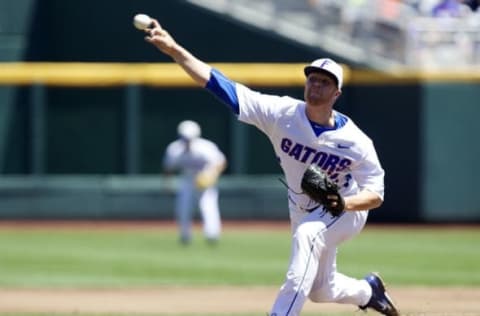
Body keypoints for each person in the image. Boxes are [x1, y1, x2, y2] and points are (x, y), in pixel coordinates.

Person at [145, 18, 399, 316]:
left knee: (308, 236)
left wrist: (344, 202)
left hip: (343, 210)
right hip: (301, 206)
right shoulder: (281, 114)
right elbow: (219, 85)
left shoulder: (355, 141)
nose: (316, 86)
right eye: (312, 79)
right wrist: (175, 50)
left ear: (337, 94)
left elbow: (376, 194)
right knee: (321, 289)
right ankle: (370, 291)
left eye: (325, 82)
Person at [163, 120, 227, 245]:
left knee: (208, 207)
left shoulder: (205, 147)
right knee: (183, 208)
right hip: (187, 179)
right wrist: (168, 183)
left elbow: (221, 162)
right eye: (184, 138)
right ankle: (185, 236)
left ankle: (212, 235)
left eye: (189, 138)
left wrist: (211, 175)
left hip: (205, 179)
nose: (187, 141)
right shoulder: (174, 149)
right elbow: (168, 168)